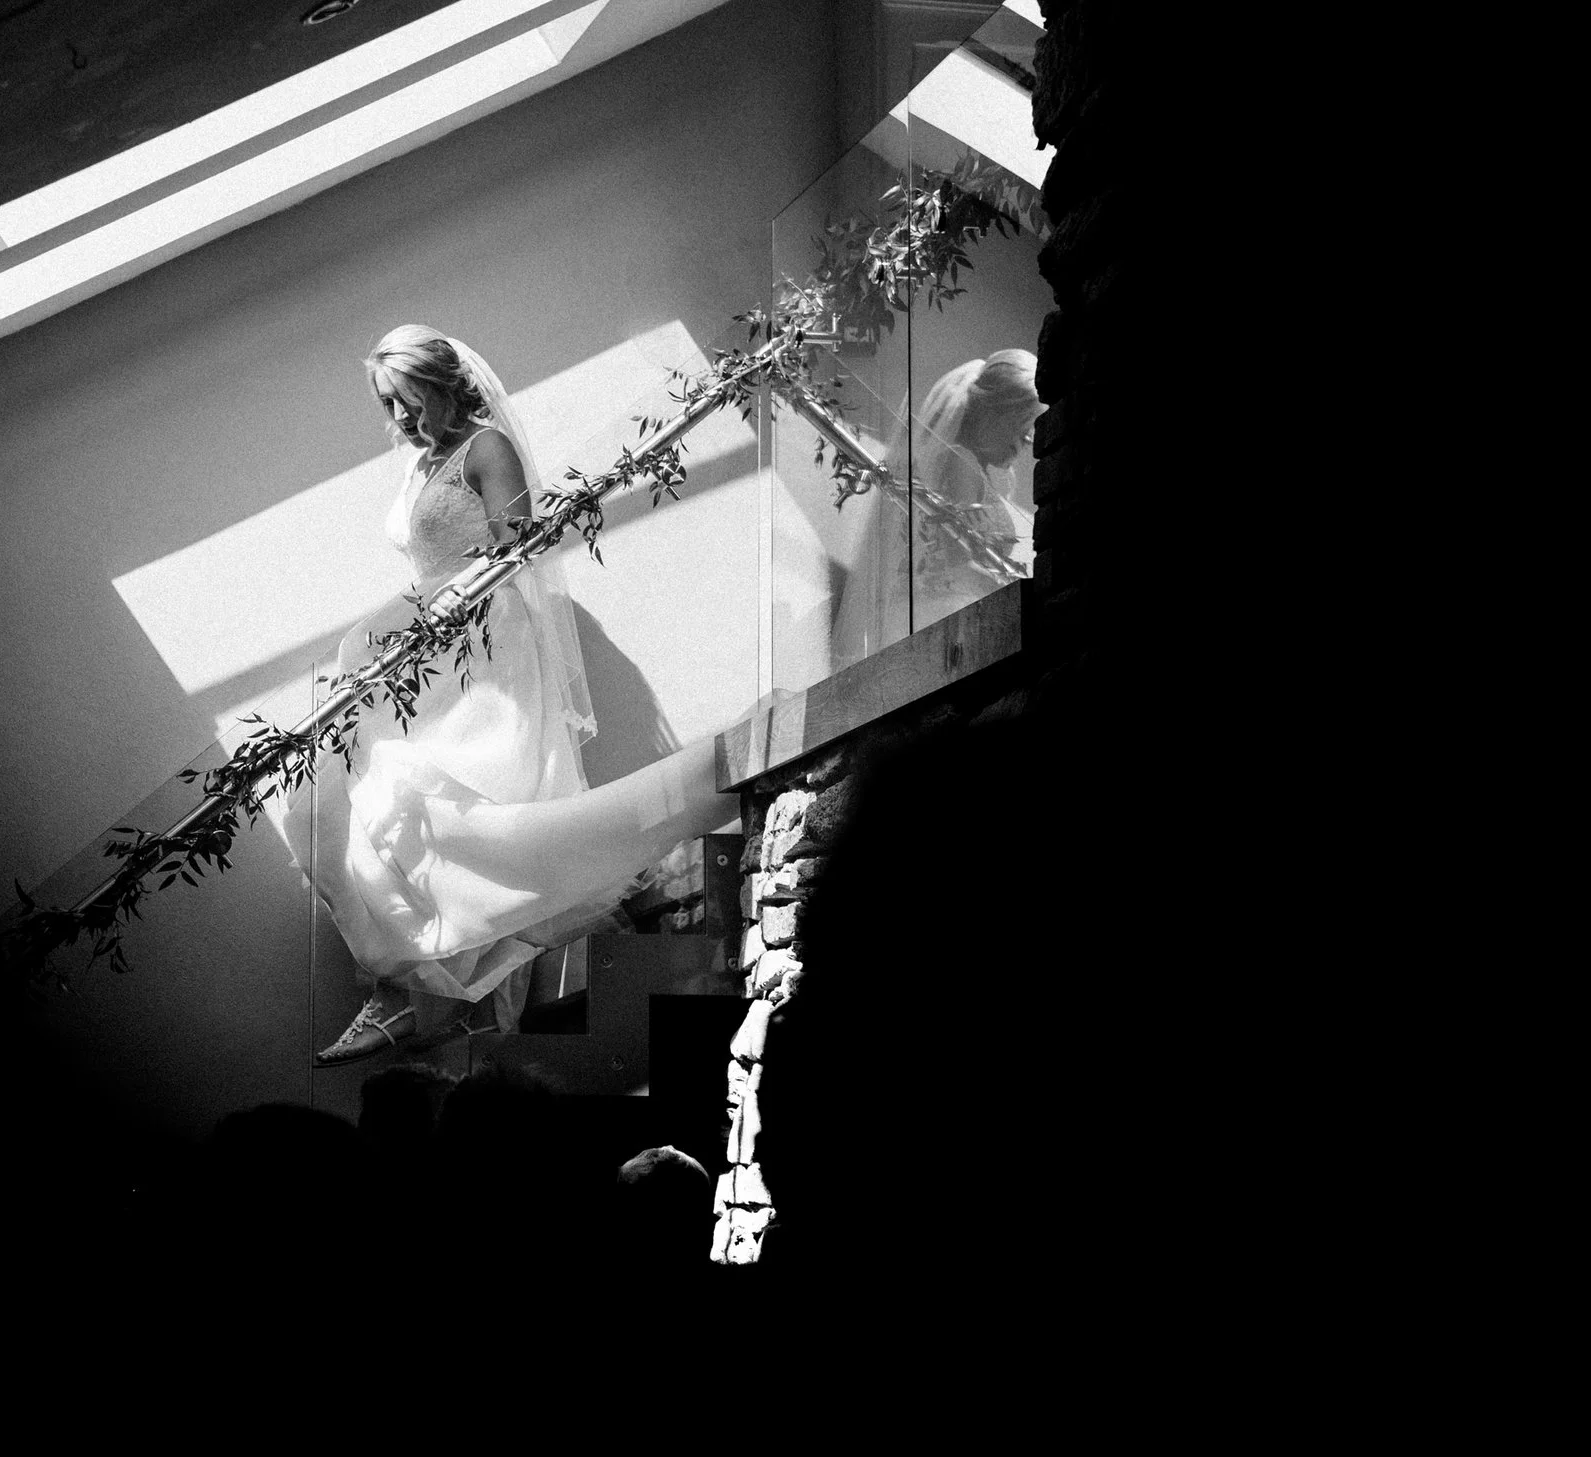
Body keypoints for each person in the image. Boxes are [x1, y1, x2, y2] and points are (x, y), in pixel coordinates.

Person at [298, 326, 730, 1066]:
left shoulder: (485, 448)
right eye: (388, 407)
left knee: (428, 798)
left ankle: (419, 994)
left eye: (408, 402)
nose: (399, 420)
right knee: (341, 800)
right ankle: (413, 987)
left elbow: (517, 552)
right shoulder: (422, 463)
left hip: (478, 649)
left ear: (442, 384)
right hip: (427, 646)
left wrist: (437, 620)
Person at [829, 348, 1043, 664]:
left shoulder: (961, 463)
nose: (1027, 440)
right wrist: (1023, 593)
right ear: (994, 413)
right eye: (1023, 425)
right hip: (945, 622)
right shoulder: (961, 464)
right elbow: (957, 567)